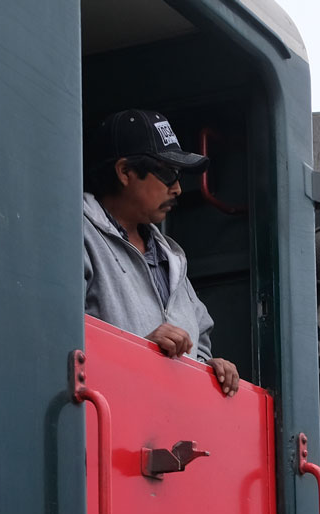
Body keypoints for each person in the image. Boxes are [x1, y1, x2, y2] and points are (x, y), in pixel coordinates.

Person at [83, 109, 240, 395]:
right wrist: (139, 352)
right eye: (167, 173)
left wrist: (210, 369)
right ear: (125, 172)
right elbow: (57, 348)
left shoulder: (172, 256)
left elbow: (199, 340)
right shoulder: (78, 237)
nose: (178, 188)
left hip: (163, 432)